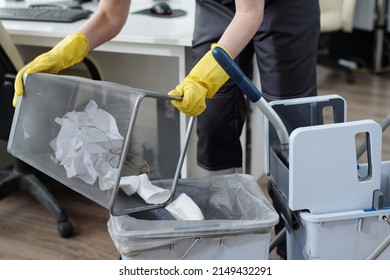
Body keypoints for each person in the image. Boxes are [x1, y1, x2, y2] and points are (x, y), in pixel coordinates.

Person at [13, 0, 320, 259]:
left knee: (288, 126)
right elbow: (109, 14)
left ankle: (300, 245)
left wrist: (202, 79)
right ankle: (223, 237)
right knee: (213, 121)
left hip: (284, 7)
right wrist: (64, 52)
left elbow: (250, 13)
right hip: (217, 6)